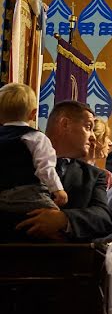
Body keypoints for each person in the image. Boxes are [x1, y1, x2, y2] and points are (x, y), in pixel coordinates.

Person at [10, 101, 112, 241]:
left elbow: (103, 218)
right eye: (88, 127)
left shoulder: (94, 175)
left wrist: (63, 219)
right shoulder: (15, 159)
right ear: (65, 124)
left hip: (68, 258)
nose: (93, 137)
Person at [0, 83, 66, 215]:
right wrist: (58, 189)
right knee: (55, 218)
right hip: (28, 194)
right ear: (33, 114)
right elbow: (45, 168)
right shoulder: (35, 137)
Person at [86, 117, 112, 190]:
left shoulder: (107, 176)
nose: (111, 143)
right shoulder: (66, 170)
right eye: (106, 137)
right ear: (94, 139)